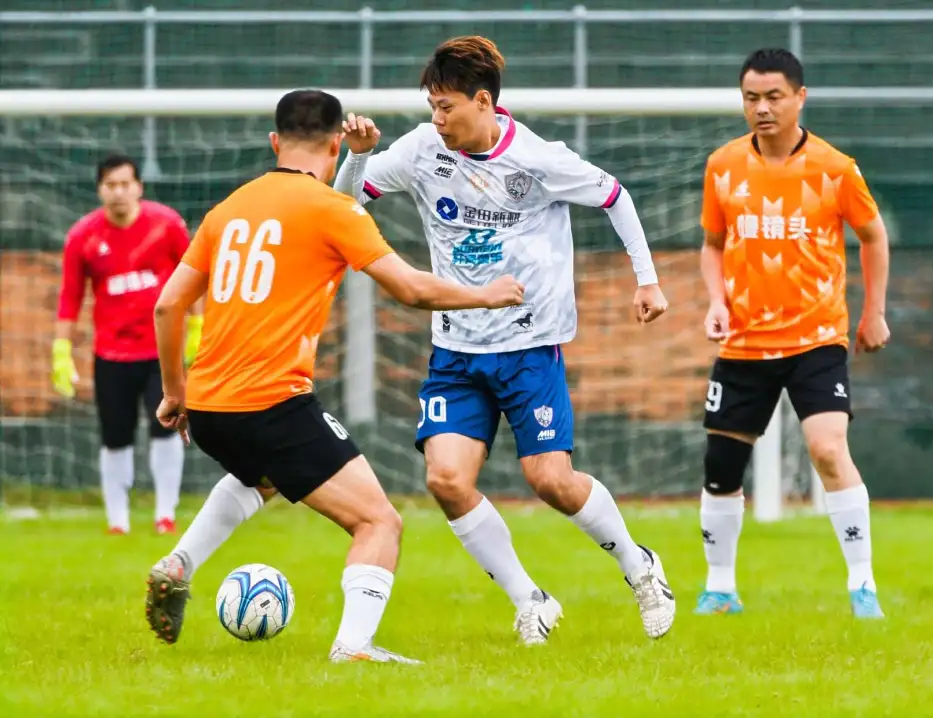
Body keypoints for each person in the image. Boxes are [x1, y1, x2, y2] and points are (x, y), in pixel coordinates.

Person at [143, 89, 524, 663]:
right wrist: (486, 295)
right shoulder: (332, 210)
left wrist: (176, 392)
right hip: (273, 404)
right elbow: (410, 288)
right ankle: (355, 646)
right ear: (334, 145)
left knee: (260, 477)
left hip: (210, 406)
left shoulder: (227, 210)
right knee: (379, 521)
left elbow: (168, 305)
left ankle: (179, 563)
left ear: (275, 142)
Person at [333, 36, 676, 645]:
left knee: (551, 481)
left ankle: (639, 564)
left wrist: (646, 281)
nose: (437, 119)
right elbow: (341, 205)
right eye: (432, 107)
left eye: (446, 107)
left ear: (483, 102)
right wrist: (359, 157)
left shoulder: (539, 159)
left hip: (529, 348)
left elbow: (615, 197)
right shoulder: (420, 150)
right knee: (446, 480)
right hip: (457, 350)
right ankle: (530, 599)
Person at [696, 48, 891, 619]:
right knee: (721, 467)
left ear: (800, 98)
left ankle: (862, 586)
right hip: (744, 343)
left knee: (828, 448)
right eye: (751, 98)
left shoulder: (835, 168)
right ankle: (720, 589)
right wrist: (716, 301)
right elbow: (712, 245)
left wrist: (874, 312)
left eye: (774, 97)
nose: (762, 108)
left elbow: (873, 236)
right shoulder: (723, 165)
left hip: (816, 338)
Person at [53, 154, 202, 535]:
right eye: (111, 185)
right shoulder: (83, 237)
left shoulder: (167, 225)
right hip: (111, 355)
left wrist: (198, 325)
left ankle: (165, 515)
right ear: (99, 189)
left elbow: (192, 276)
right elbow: (70, 296)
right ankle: (117, 521)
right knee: (115, 437)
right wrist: (61, 350)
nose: (118, 192)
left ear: (139, 187)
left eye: (125, 184)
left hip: (162, 353)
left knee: (166, 428)